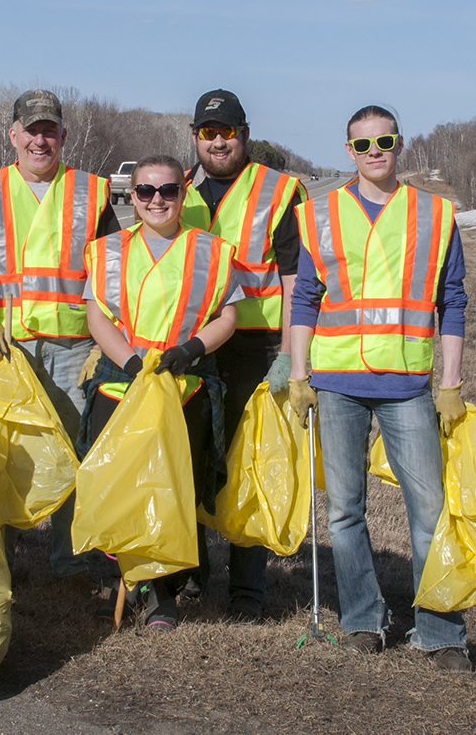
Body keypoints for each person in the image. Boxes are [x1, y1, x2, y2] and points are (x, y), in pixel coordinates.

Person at [286, 104, 474, 672]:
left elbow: (454, 300)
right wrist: (298, 376)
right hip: (337, 382)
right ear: (349, 151)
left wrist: (451, 383)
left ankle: (441, 632)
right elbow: (304, 300)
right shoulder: (318, 215)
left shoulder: (436, 215)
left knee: (429, 509)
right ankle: (363, 620)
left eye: (384, 141)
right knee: (344, 511)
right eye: (363, 145)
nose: (375, 153)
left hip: (409, 385)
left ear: (400, 144)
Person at [0, 88, 118, 582]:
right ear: (13, 134)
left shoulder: (92, 191)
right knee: (2, 452)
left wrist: (102, 342)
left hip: (74, 348)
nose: (40, 140)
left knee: (76, 452)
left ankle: (72, 560)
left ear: (63, 135)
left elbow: (111, 272)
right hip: (6, 349)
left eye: (49, 130)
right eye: (31, 130)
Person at [81, 155, 243, 630]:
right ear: (131, 197)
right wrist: (132, 363)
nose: (157, 201)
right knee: (118, 484)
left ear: (181, 195)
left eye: (168, 191)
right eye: (146, 192)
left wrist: (191, 349)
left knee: (173, 487)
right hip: (120, 383)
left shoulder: (209, 251)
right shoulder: (109, 250)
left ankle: (163, 594)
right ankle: (122, 582)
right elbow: (96, 316)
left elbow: (227, 317)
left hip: (183, 386)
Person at [177, 88, 307, 620]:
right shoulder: (176, 190)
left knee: (248, 462)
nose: (219, 141)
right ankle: (189, 574)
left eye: (227, 131)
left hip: (257, 347)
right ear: (195, 138)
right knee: (191, 457)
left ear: (244, 134)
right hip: (192, 345)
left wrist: (293, 354)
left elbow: (300, 282)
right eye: (208, 133)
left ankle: (248, 588)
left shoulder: (280, 191)